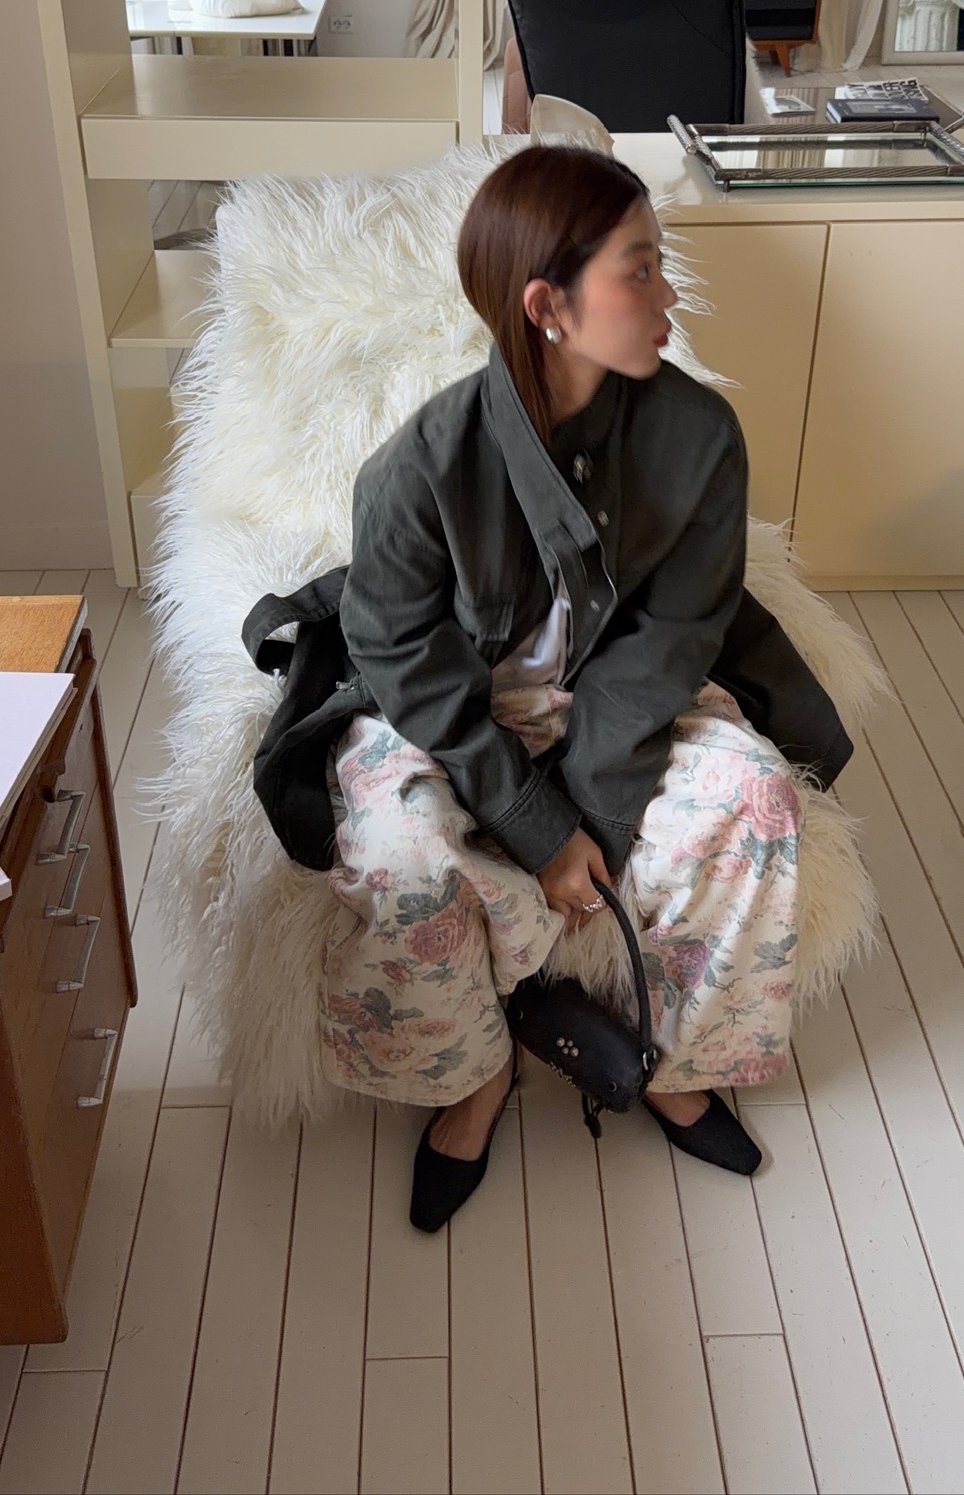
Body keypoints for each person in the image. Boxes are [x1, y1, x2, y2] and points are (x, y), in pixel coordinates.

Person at [329, 144, 850, 1231]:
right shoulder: (422, 466)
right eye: (639, 270)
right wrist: (532, 823)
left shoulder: (698, 437)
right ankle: (476, 1072)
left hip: (623, 703)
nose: (668, 297)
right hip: (453, 713)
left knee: (758, 798)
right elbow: (399, 651)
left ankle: (670, 1056)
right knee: (395, 850)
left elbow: (672, 637)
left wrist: (594, 820)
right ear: (548, 307)